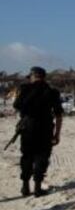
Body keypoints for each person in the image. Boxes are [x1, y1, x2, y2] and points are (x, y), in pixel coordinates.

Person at [12, 67, 64, 197]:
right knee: (42, 156)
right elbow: (58, 115)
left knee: (27, 156)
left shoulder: (25, 89)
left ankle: (25, 187)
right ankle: (37, 188)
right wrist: (57, 134)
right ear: (44, 77)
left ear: (33, 76)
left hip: (27, 127)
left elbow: (16, 105)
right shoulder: (52, 92)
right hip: (45, 128)